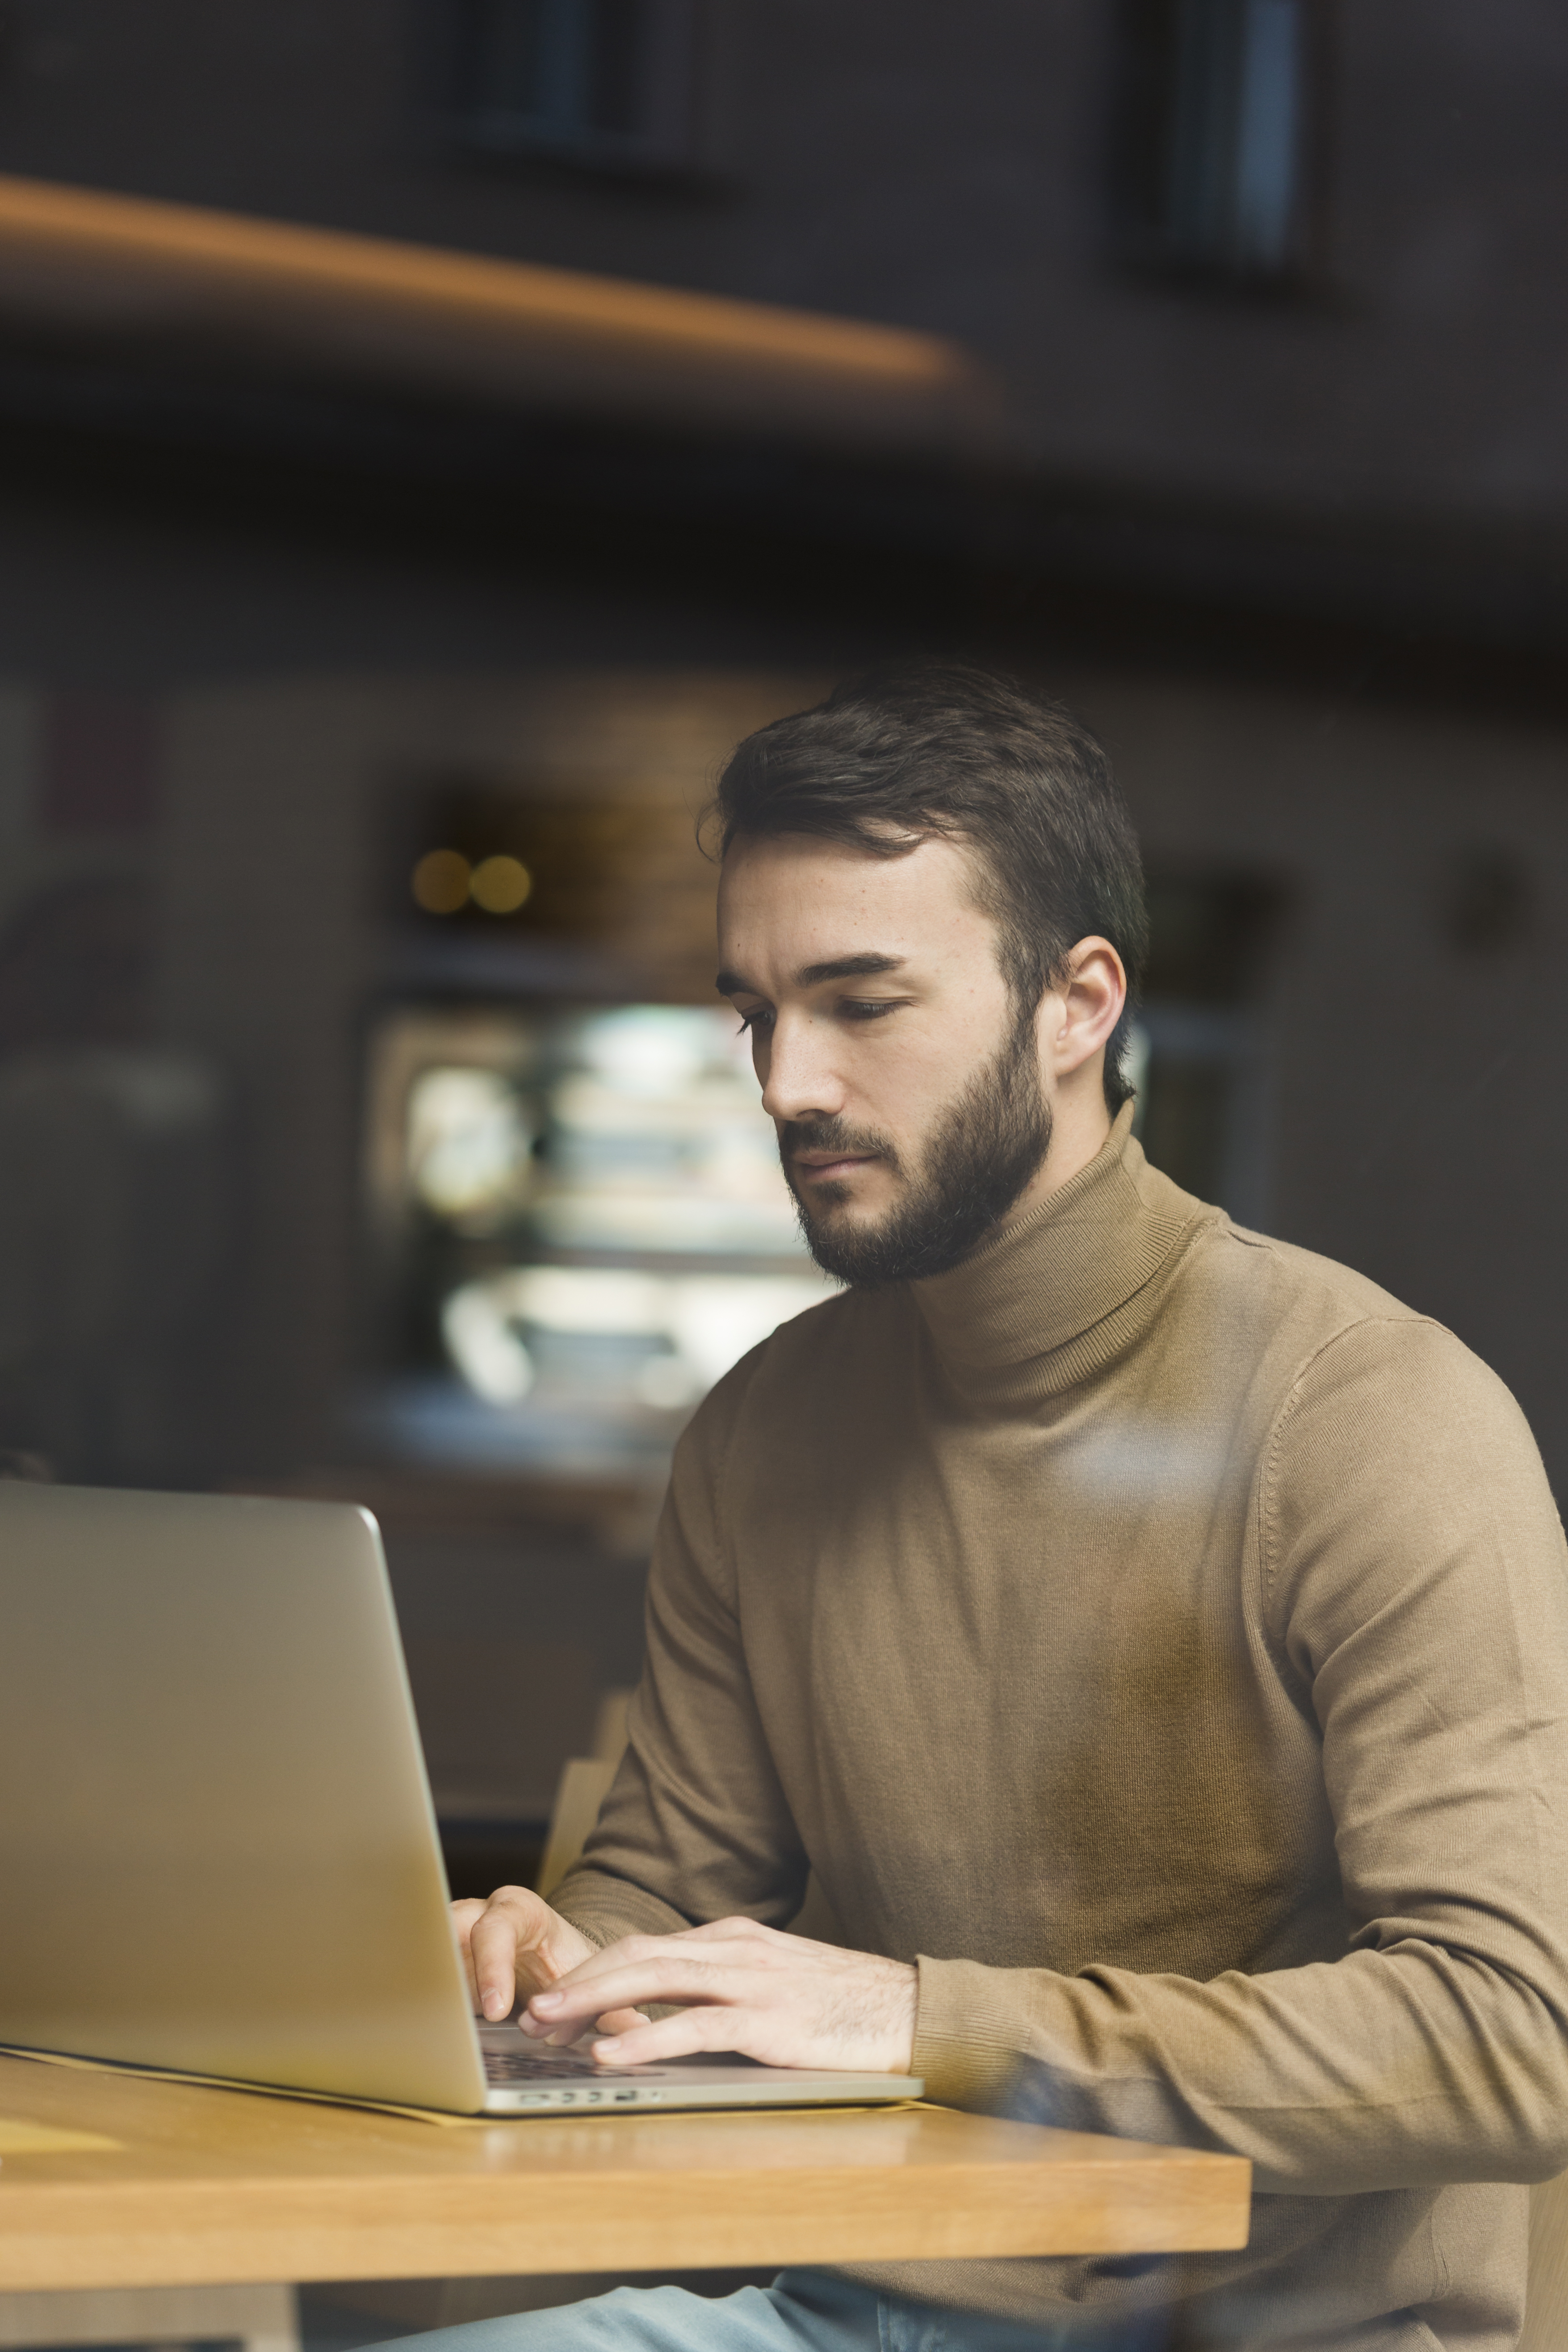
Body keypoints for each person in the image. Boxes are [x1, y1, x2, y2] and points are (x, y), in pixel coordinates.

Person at [444, 667, 1568, 2352]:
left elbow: (1513, 2040)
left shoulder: (1372, 1413)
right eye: (756, 1013)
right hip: (832, 2304)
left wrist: (920, 2016)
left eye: (861, 1002)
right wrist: (548, 1957)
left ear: (1076, 1004)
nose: (788, 1083)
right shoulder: (762, 1427)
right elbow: (666, 1893)